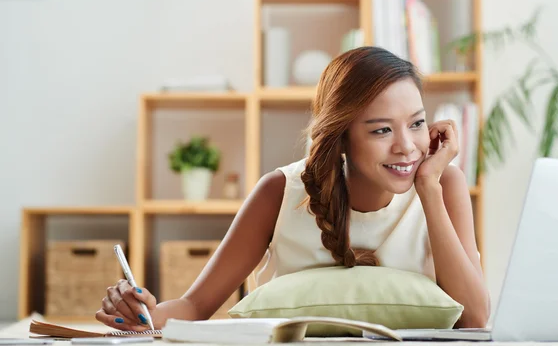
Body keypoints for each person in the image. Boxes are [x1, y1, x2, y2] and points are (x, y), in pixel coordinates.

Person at [96, 46, 490, 331]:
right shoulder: (279, 191)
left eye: (417, 123)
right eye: (382, 130)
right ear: (342, 137)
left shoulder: (441, 183)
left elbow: (475, 317)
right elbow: (197, 305)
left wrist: (429, 187)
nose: (406, 145)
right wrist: (146, 313)